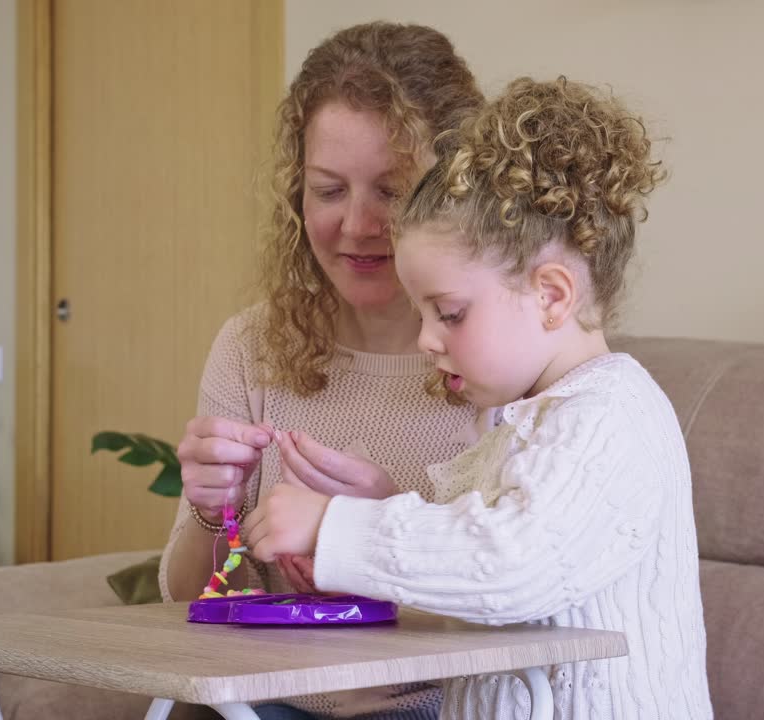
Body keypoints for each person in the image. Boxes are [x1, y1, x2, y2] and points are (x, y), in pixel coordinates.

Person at [246, 77, 715, 719]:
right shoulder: (530, 424)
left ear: (552, 296)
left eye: (450, 313)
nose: (427, 340)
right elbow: (467, 587)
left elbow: (509, 566)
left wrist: (338, 526)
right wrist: (388, 512)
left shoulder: (611, 417)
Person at [159, 22, 484, 720]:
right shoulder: (252, 345)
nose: (358, 226)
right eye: (329, 190)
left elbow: (515, 611)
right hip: (261, 703)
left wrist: (384, 526)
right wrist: (208, 507)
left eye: (392, 192)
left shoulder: (496, 362)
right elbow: (188, 601)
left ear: (451, 193)